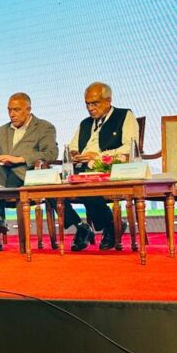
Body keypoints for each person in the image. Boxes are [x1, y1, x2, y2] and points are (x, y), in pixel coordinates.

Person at [61, 81, 140, 251]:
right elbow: (73, 147)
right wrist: (76, 155)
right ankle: (81, 226)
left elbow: (130, 147)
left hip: (107, 167)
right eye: (87, 104)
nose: (90, 108)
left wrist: (98, 156)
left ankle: (110, 225)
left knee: (86, 183)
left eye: (95, 103)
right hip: (81, 167)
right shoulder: (85, 123)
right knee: (52, 188)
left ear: (108, 100)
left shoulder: (124, 116)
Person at [0, 92, 58, 253]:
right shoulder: (1, 131)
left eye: (16, 110)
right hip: (2, 175)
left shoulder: (44, 127)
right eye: (9, 110)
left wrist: (19, 159)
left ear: (28, 109)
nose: (12, 114)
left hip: (25, 175)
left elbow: (51, 153)